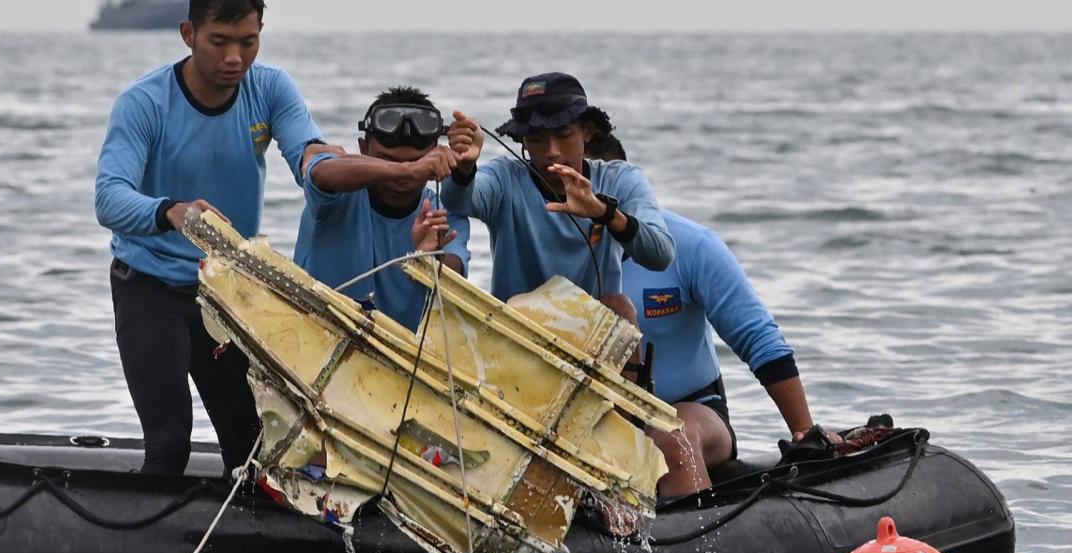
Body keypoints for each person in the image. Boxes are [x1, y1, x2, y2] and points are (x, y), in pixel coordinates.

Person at [94, 0, 331, 475]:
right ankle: (156, 545)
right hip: (149, 286)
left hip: (226, 292)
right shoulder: (144, 102)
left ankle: (237, 546)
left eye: (248, 42)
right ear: (188, 34)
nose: (234, 59)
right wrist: (172, 212)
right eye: (219, 42)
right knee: (170, 444)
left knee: (252, 450)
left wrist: (335, 168)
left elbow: (308, 155)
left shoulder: (269, 88)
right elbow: (108, 198)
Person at [583, 136, 836, 496]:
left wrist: (804, 432)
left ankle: (701, 546)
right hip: (587, 418)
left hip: (693, 411)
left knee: (671, 440)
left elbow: (759, 340)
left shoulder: (691, 245)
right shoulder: (547, 257)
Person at [442, 72, 674, 321]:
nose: (552, 152)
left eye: (563, 135)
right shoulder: (505, 178)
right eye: (536, 139)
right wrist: (465, 168)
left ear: (587, 131)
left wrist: (602, 212)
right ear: (523, 140)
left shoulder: (620, 179)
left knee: (619, 306)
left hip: (594, 337)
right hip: (516, 333)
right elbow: (458, 201)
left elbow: (661, 255)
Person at [294, 87, 472, 330]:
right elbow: (318, 172)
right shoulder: (335, 194)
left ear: (435, 157)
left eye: (418, 161)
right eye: (387, 160)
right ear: (363, 149)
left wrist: (429, 262)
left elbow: (457, 273)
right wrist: (410, 169)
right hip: (313, 340)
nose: (403, 179)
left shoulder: (442, 213)